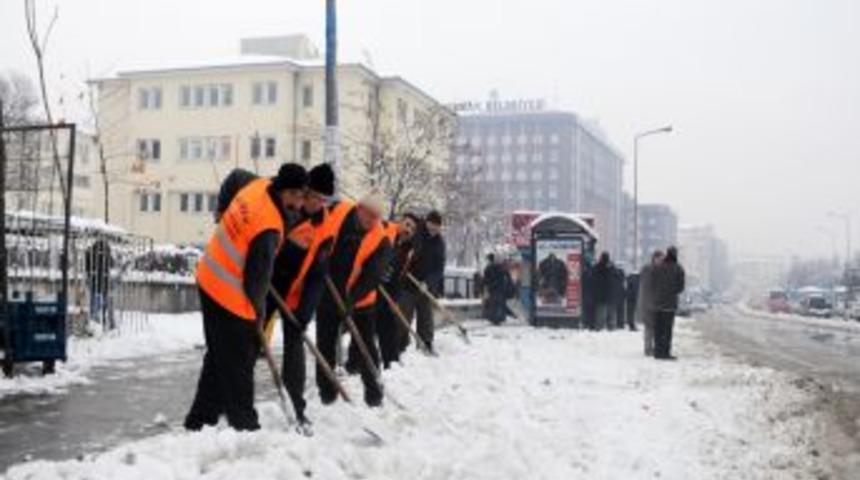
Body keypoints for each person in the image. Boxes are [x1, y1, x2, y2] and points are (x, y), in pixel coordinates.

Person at [185, 163, 307, 432]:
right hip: (228, 294)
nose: (299, 203)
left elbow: (235, 176)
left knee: (219, 356)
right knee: (240, 361)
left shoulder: (258, 185)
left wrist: (222, 207)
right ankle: (245, 425)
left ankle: (200, 420)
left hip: (209, 277)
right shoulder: (269, 227)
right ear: (284, 191)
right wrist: (258, 315)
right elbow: (257, 279)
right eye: (297, 196)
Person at [265, 163, 335, 425]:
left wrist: (305, 311)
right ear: (303, 191)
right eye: (313, 196)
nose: (316, 203)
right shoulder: (285, 210)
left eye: (323, 199)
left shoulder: (326, 229)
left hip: (294, 294)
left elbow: (318, 275)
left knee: (294, 348)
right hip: (267, 286)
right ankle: (233, 402)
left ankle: (297, 408)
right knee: (250, 341)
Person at [315, 193, 391, 407]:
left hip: (360, 300)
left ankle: (374, 393)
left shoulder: (381, 240)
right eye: (369, 216)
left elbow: (372, 275)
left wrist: (352, 299)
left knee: (366, 344)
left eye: (376, 218)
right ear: (359, 209)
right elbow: (318, 230)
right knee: (325, 344)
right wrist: (319, 255)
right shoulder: (338, 211)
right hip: (328, 292)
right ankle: (327, 393)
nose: (371, 221)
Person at [399, 210, 446, 353]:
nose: (433, 231)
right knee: (403, 314)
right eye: (431, 227)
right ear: (426, 223)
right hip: (408, 282)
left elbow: (439, 268)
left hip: (425, 286)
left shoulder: (440, 243)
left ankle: (426, 343)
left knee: (426, 315)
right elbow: (403, 246)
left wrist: (428, 283)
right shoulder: (416, 232)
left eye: (436, 228)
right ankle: (400, 344)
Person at [376, 213, 418, 369]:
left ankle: (391, 361)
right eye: (407, 224)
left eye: (412, 229)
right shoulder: (385, 231)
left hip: (387, 290)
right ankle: (355, 363)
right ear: (400, 222)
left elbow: (401, 277)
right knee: (366, 324)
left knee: (389, 324)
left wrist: (395, 300)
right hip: (369, 285)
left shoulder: (408, 250)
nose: (408, 230)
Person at [653, 246, 685, 360]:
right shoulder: (678, 268)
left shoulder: (659, 267)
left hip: (658, 303)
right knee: (667, 330)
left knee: (658, 329)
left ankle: (657, 351)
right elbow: (681, 287)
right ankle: (665, 352)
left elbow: (653, 282)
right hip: (670, 304)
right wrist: (673, 291)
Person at [638, 250, 664, 356]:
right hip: (649, 302)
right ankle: (648, 348)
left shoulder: (660, 269)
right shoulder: (648, 269)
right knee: (649, 327)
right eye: (660, 259)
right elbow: (647, 287)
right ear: (654, 258)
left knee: (656, 328)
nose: (661, 261)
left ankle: (653, 348)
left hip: (657, 303)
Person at [85, 237, 113, 328]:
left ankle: (95, 321)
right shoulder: (106, 251)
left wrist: (89, 275)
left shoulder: (90, 252)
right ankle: (108, 321)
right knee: (105, 302)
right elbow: (111, 264)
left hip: (95, 280)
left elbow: (87, 267)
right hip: (104, 281)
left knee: (95, 302)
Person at [591, 252, 615, 331]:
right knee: (609, 312)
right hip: (609, 293)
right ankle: (610, 326)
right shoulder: (610, 268)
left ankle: (600, 326)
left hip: (600, 294)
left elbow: (594, 278)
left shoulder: (598, 267)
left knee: (601, 312)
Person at [482, 254, 508, 325]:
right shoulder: (499, 267)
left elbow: (486, 279)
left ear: (489, 260)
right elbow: (504, 276)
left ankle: (494, 319)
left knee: (493, 304)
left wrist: (486, 285)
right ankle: (500, 318)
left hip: (492, 288)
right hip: (500, 288)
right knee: (499, 303)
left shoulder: (488, 268)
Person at [611, 264, 627, 330]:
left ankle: (615, 323)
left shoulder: (612, 273)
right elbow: (624, 285)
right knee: (621, 310)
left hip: (614, 293)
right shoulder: (622, 274)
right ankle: (620, 324)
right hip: (621, 293)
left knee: (614, 310)